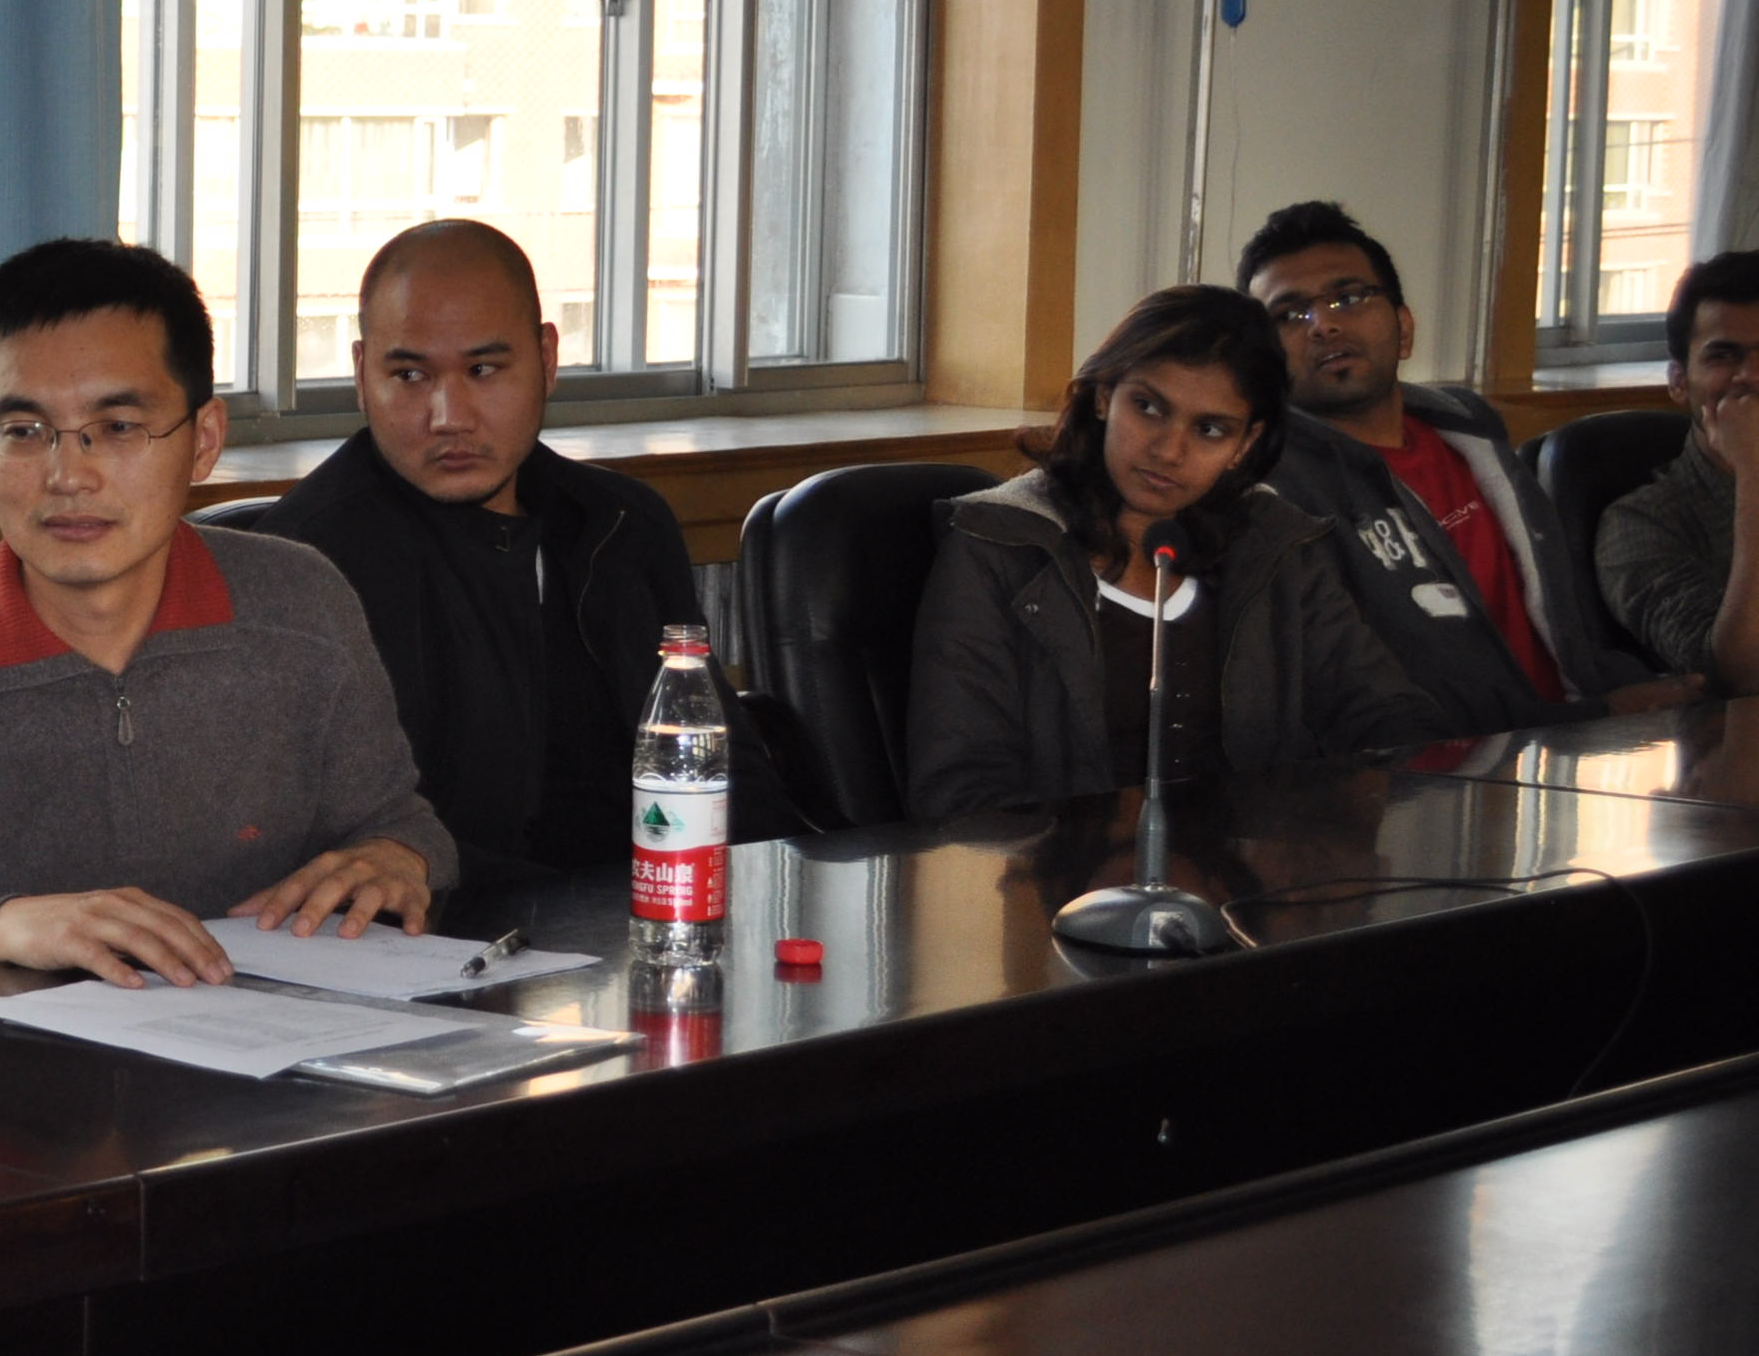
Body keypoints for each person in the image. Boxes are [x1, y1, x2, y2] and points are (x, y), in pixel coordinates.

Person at [0, 238, 453, 997]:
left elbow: (397, 822)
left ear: (204, 441)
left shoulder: (300, 604)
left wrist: (399, 856)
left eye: (119, 427)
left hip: (270, 1060)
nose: (68, 476)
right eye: (24, 432)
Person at [247, 218, 787, 876]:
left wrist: (774, 888)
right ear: (362, 374)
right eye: (410, 374)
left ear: (548, 358)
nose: (449, 416)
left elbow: (721, 766)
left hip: (658, 910)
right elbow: (311, 837)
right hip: (446, 926)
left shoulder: (621, 522)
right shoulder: (302, 564)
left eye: (484, 369)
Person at [903, 284, 1444, 819]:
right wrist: (1103, 845)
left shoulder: (1275, 543)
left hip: (1251, 865)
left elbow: (1392, 719)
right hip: (1067, 871)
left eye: (1209, 429)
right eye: (1148, 407)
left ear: (1245, 444)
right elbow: (959, 790)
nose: (1168, 450)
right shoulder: (998, 546)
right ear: (1103, 395)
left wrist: (1324, 823)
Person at [1235, 200, 1687, 732]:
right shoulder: (1276, 497)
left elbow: (1564, 637)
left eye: (1348, 298)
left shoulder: (1470, 434)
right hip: (1452, 766)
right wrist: (1595, 714)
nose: (1323, 326)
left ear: (1404, 328)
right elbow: (1373, 709)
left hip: (1571, 734)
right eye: (1289, 315)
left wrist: (1623, 696)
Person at [1594, 252, 1759, 692]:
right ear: (1679, 381)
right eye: (1724, 355)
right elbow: (1741, 676)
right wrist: (1752, 471)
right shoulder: (1639, 524)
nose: (1751, 376)